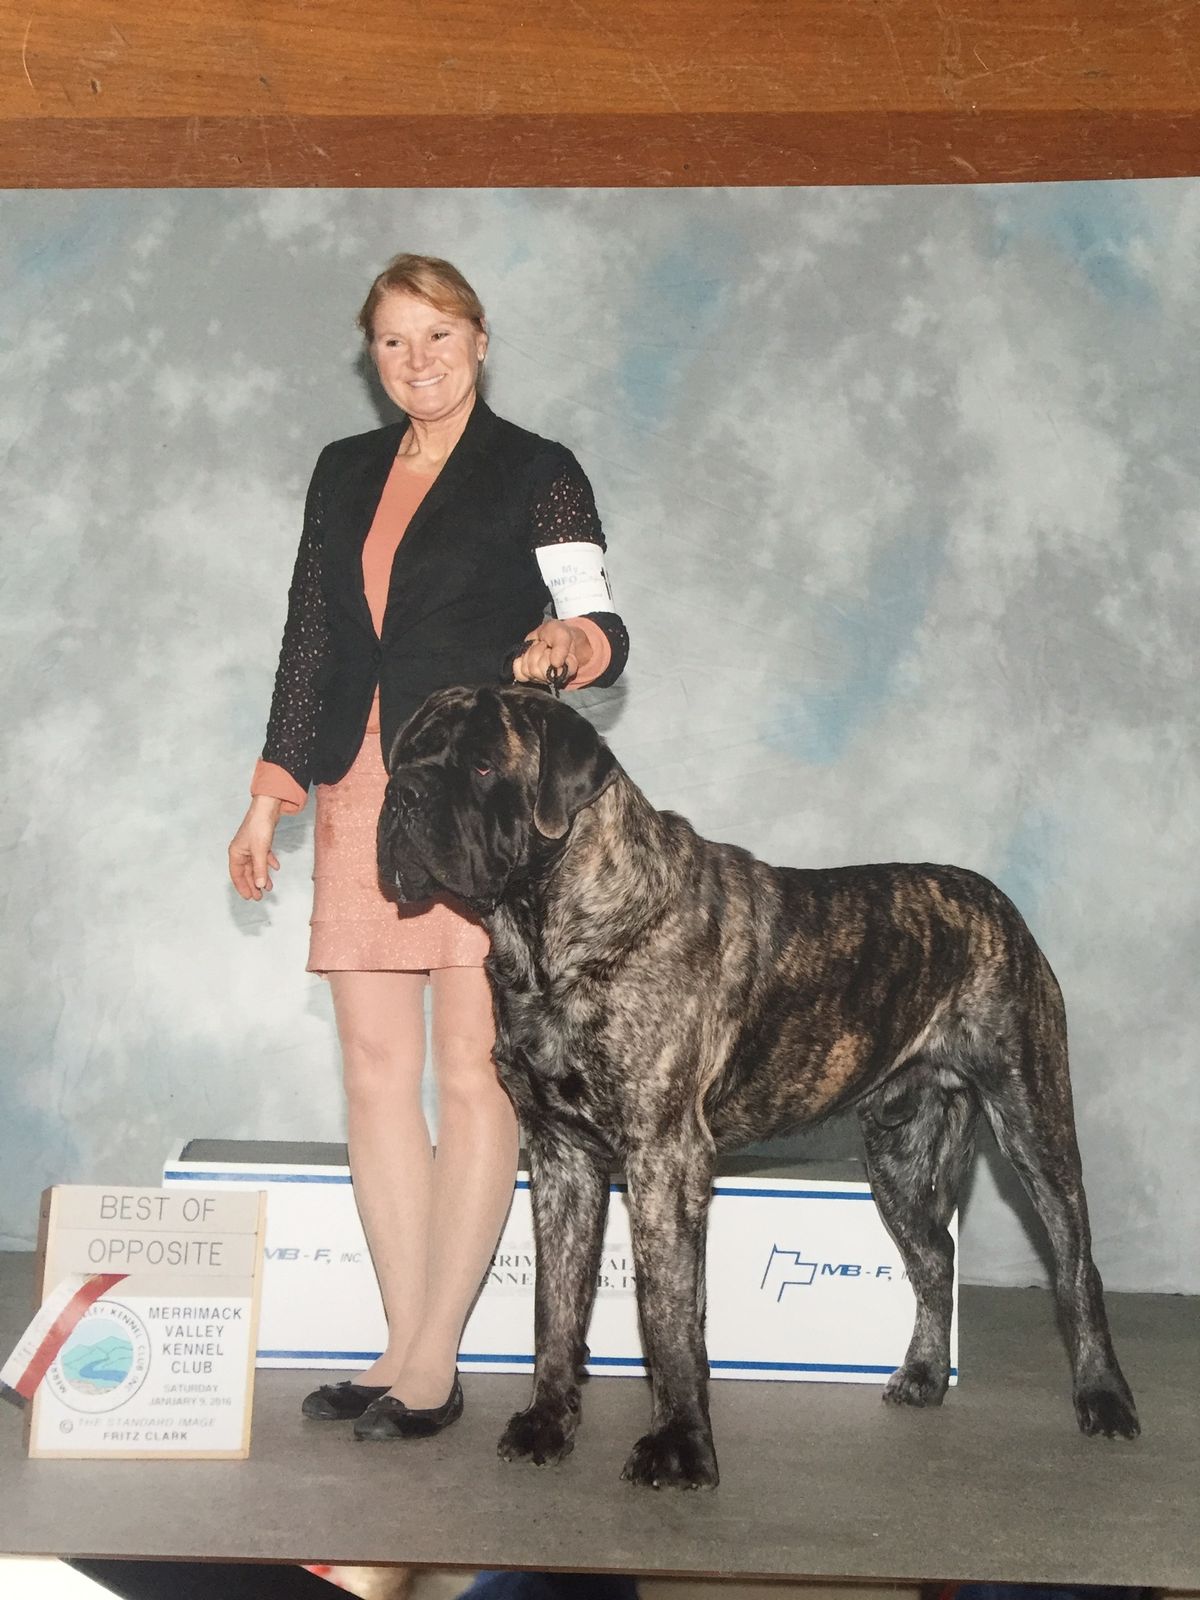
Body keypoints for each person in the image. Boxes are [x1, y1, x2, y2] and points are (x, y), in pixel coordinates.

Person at [227, 255, 629, 1442]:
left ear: (479, 341)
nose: (418, 361)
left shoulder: (538, 471)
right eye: (394, 342)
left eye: (438, 336)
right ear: (374, 356)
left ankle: (434, 1359)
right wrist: (271, 791)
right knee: (371, 1069)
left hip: (474, 796)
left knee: (470, 1069)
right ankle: (402, 1342)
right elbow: (311, 635)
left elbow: (599, 618)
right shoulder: (343, 470)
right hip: (359, 784)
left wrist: (571, 647)